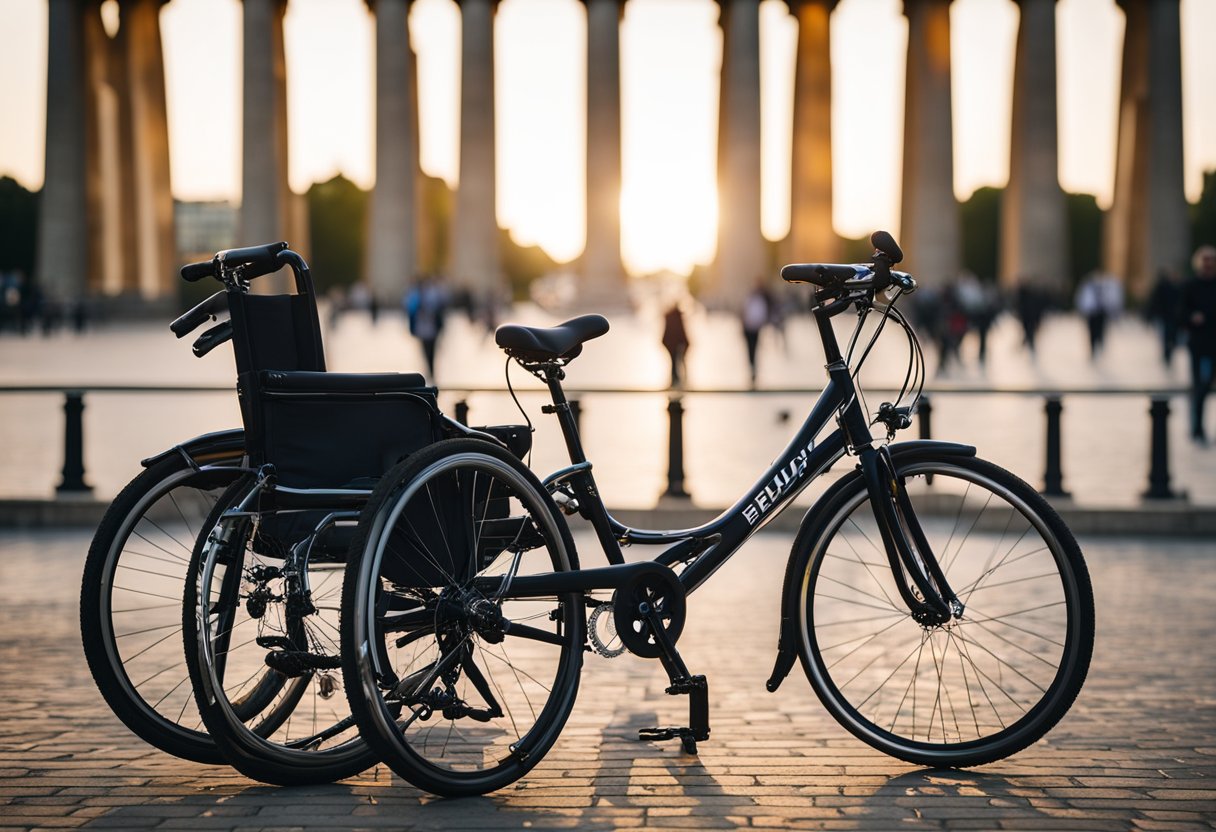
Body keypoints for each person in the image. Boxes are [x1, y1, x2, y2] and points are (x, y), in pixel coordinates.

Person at [1182, 245, 1216, 445]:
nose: (1209, 263)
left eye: (1212, 259)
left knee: (1206, 384)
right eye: (1206, 259)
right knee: (1199, 386)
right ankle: (1197, 426)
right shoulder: (1191, 285)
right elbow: (1181, 313)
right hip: (1198, 343)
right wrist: (1191, 318)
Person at [404, 275, 449, 381]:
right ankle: (430, 370)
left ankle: (431, 370)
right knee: (425, 350)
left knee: (431, 350)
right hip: (424, 328)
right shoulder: (417, 295)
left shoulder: (432, 294)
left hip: (430, 328)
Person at [1145, 267, 1184, 365]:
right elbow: (1155, 301)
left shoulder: (1181, 287)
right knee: (1166, 336)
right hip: (1164, 316)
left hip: (1176, 317)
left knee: (1173, 337)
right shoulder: (1163, 286)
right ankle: (1166, 354)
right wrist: (1151, 315)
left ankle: (1169, 352)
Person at [741, 278, 773, 387]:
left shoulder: (760, 299)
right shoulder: (752, 298)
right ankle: (752, 368)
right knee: (750, 350)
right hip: (749, 327)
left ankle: (753, 369)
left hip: (755, 327)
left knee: (753, 349)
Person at [661, 302, 690, 388]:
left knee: (675, 365)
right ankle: (677, 382)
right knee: (677, 364)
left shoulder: (671, 317)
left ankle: (677, 382)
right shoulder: (676, 317)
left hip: (674, 346)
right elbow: (681, 334)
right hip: (675, 346)